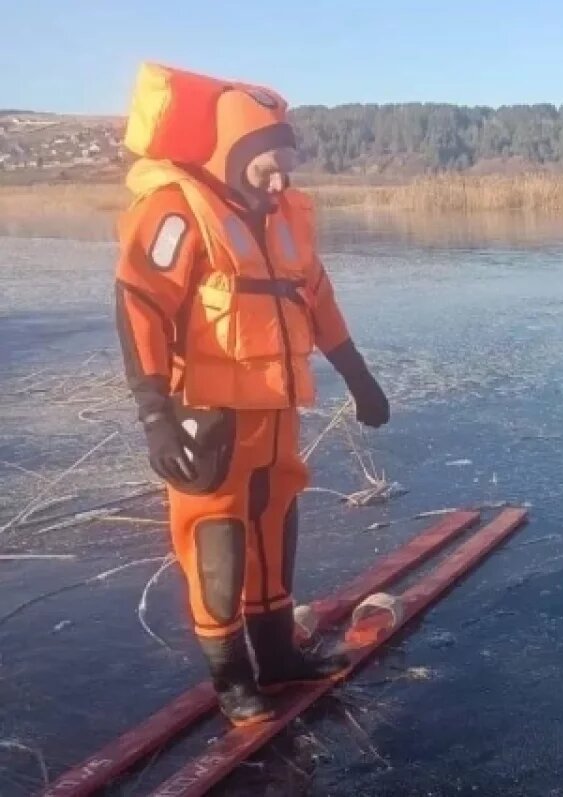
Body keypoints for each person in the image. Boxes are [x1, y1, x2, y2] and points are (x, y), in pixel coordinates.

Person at [113, 64, 390, 725]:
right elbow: (141, 304)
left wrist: (357, 373)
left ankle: (278, 657)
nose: (279, 181)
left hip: (275, 409)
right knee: (218, 539)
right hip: (205, 414)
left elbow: (315, 297)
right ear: (232, 158)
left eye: (285, 166)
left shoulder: (286, 216)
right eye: (266, 167)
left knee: (274, 526)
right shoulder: (177, 210)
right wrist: (154, 410)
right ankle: (233, 679)